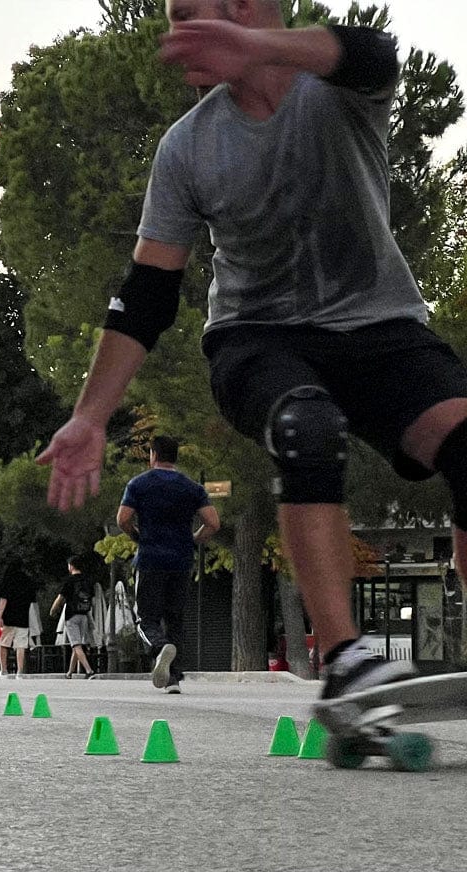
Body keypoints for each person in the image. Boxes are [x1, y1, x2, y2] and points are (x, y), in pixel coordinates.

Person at [38, 3, 467, 705]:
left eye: (201, 14)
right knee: (307, 427)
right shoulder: (188, 146)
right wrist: (89, 417)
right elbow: (148, 292)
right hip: (257, 341)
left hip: (382, 330)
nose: (184, 33)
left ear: (255, 9)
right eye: (177, 18)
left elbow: (374, 53)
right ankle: (345, 660)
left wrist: (257, 46)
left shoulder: (338, 93)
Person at [117, 436, 220, 694]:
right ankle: (173, 679)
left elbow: (123, 519)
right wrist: (194, 539)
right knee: (175, 617)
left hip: (150, 559)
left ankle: (158, 647)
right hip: (182, 560)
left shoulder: (139, 484)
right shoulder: (192, 487)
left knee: (145, 618)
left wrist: (136, 535)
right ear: (175, 457)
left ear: (153, 455)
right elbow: (213, 522)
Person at [49, 556, 97, 680]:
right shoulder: (88, 580)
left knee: (76, 645)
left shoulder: (69, 581)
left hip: (72, 615)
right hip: (84, 615)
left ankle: (89, 670)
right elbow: (93, 598)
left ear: (71, 566)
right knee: (77, 644)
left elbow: (60, 598)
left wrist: (53, 610)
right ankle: (70, 671)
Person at [0, 557, 38, 680]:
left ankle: (3, 671)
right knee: (21, 645)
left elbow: (4, 599)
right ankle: (19, 672)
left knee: (3, 643)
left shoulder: (7, 579)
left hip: (8, 616)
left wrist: (0, 615)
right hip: (23, 617)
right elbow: (32, 600)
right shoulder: (27, 580)